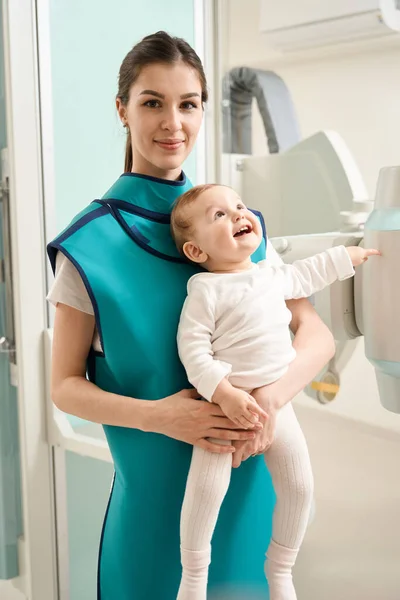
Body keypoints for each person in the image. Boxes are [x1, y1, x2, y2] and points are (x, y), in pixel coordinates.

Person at [47, 31, 338, 600]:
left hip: (255, 490)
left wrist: (269, 401)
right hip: (156, 513)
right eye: (152, 102)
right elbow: (64, 387)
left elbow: (316, 334)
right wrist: (165, 418)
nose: (172, 123)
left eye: (188, 104)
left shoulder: (236, 224)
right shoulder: (90, 247)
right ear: (122, 109)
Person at [170, 183, 380, 600]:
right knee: (205, 494)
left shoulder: (269, 273)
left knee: (300, 488)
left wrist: (348, 257)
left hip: (278, 407)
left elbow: (308, 273)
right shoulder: (205, 290)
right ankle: (193, 577)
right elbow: (192, 351)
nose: (238, 215)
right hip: (226, 409)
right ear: (196, 252)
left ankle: (281, 568)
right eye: (220, 215)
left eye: (240, 207)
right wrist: (225, 393)